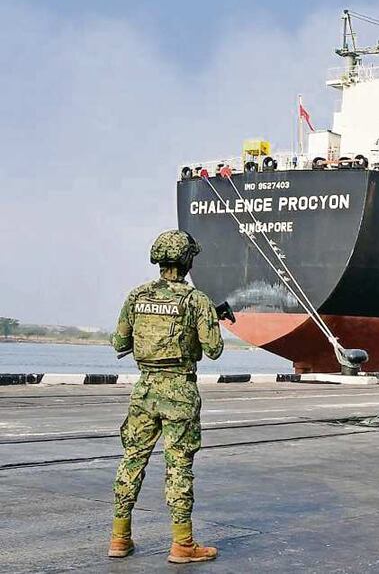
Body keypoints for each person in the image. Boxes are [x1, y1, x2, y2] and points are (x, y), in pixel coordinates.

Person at [109, 230, 223, 563]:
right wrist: (210, 322)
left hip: (144, 391)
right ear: (188, 261)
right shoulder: (196, 300)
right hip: (179, 392)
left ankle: (119, 538)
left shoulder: (136, 296)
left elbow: (119, 343)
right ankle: (182, 545)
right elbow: (214, 349)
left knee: (132, 459)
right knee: (179, 466)